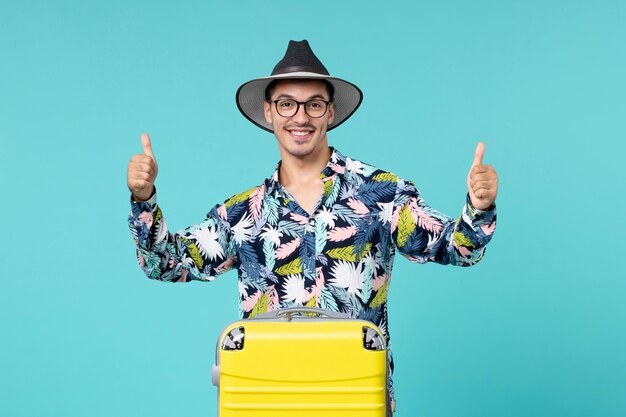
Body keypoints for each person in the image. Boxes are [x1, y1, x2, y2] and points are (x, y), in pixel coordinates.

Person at [127, 40, 498, 416]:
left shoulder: (380, 195)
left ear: (330, 112)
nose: (300, 117)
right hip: (265, 399)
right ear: (269, 112)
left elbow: (455, 248)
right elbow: (166, 263)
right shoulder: (241, 214)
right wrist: (144, 198)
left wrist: (478, 209)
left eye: (314, 104)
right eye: (287, 104)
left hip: (355, 398)